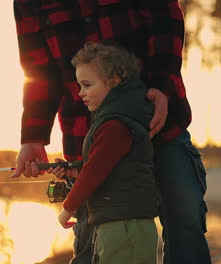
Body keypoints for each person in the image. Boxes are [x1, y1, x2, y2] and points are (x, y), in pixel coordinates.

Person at [12, 1, 212, 263]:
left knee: (184, 217)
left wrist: (162, 86)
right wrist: (33, 136)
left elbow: (165, 20)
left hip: (156, 121)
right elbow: (38, 70)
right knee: (89, 243)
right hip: (83, 134)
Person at [50, 42, 159, 264]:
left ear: (113, 82)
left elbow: (95, 171)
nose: (80, 93)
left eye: (87, 85)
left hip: (124, 226)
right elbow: (108, 168)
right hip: (120, 224)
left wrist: (67, 207)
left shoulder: (115, 125)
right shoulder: (113, 119)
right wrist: (73, 173)